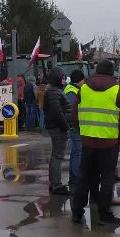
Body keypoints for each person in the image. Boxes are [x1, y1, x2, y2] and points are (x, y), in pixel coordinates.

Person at [71, 60, 120, 226]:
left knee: (84, 176)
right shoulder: (117, 90)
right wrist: (119, 139)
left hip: (88, 141)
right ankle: (104, 213)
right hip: (108, 143)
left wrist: (82, 131)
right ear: (112, 73)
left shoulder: (83, 89)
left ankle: (77, 211)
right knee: (106, 178)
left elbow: (74, 114)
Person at [44, 66, 71, 195]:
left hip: (56, 127)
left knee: (56, 155)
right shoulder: (54, 92)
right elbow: (57, 112)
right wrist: (65, 126)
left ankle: (54, 183)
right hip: (58, 128)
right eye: (63, 77)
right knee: (57, 156)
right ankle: (56, 184)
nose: (65, 80)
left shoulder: (53, 90)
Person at [65, 69, 85, 189]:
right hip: (75, 127)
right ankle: (76, 179)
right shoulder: (72, 92)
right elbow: (73, 111)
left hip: (74, 126)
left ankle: (73, 178)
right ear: (79, 80)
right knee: (77, 153)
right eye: (83, 80)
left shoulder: (72, 89)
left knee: (75, 153)